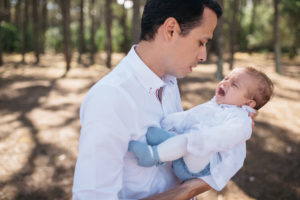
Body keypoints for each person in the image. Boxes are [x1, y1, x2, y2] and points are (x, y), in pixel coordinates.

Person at [72, 0, 223, 199]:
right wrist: (189, 190)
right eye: (201, 42)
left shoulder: (169, 83)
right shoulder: (110, 98)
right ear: (171, 30)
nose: (203, 55)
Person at [128, 67, 274, 191]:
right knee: (180, 139)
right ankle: (166, 143)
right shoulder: (215, 106)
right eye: (226, 78)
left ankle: (153, 155)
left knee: (188, 141)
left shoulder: (241, 121)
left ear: (248, 102)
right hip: (186, 157)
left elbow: (223, 137)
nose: (225, 82)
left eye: (234, 84)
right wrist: (168, 123)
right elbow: (191, 116)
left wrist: (197, 138)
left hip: (202, 165)